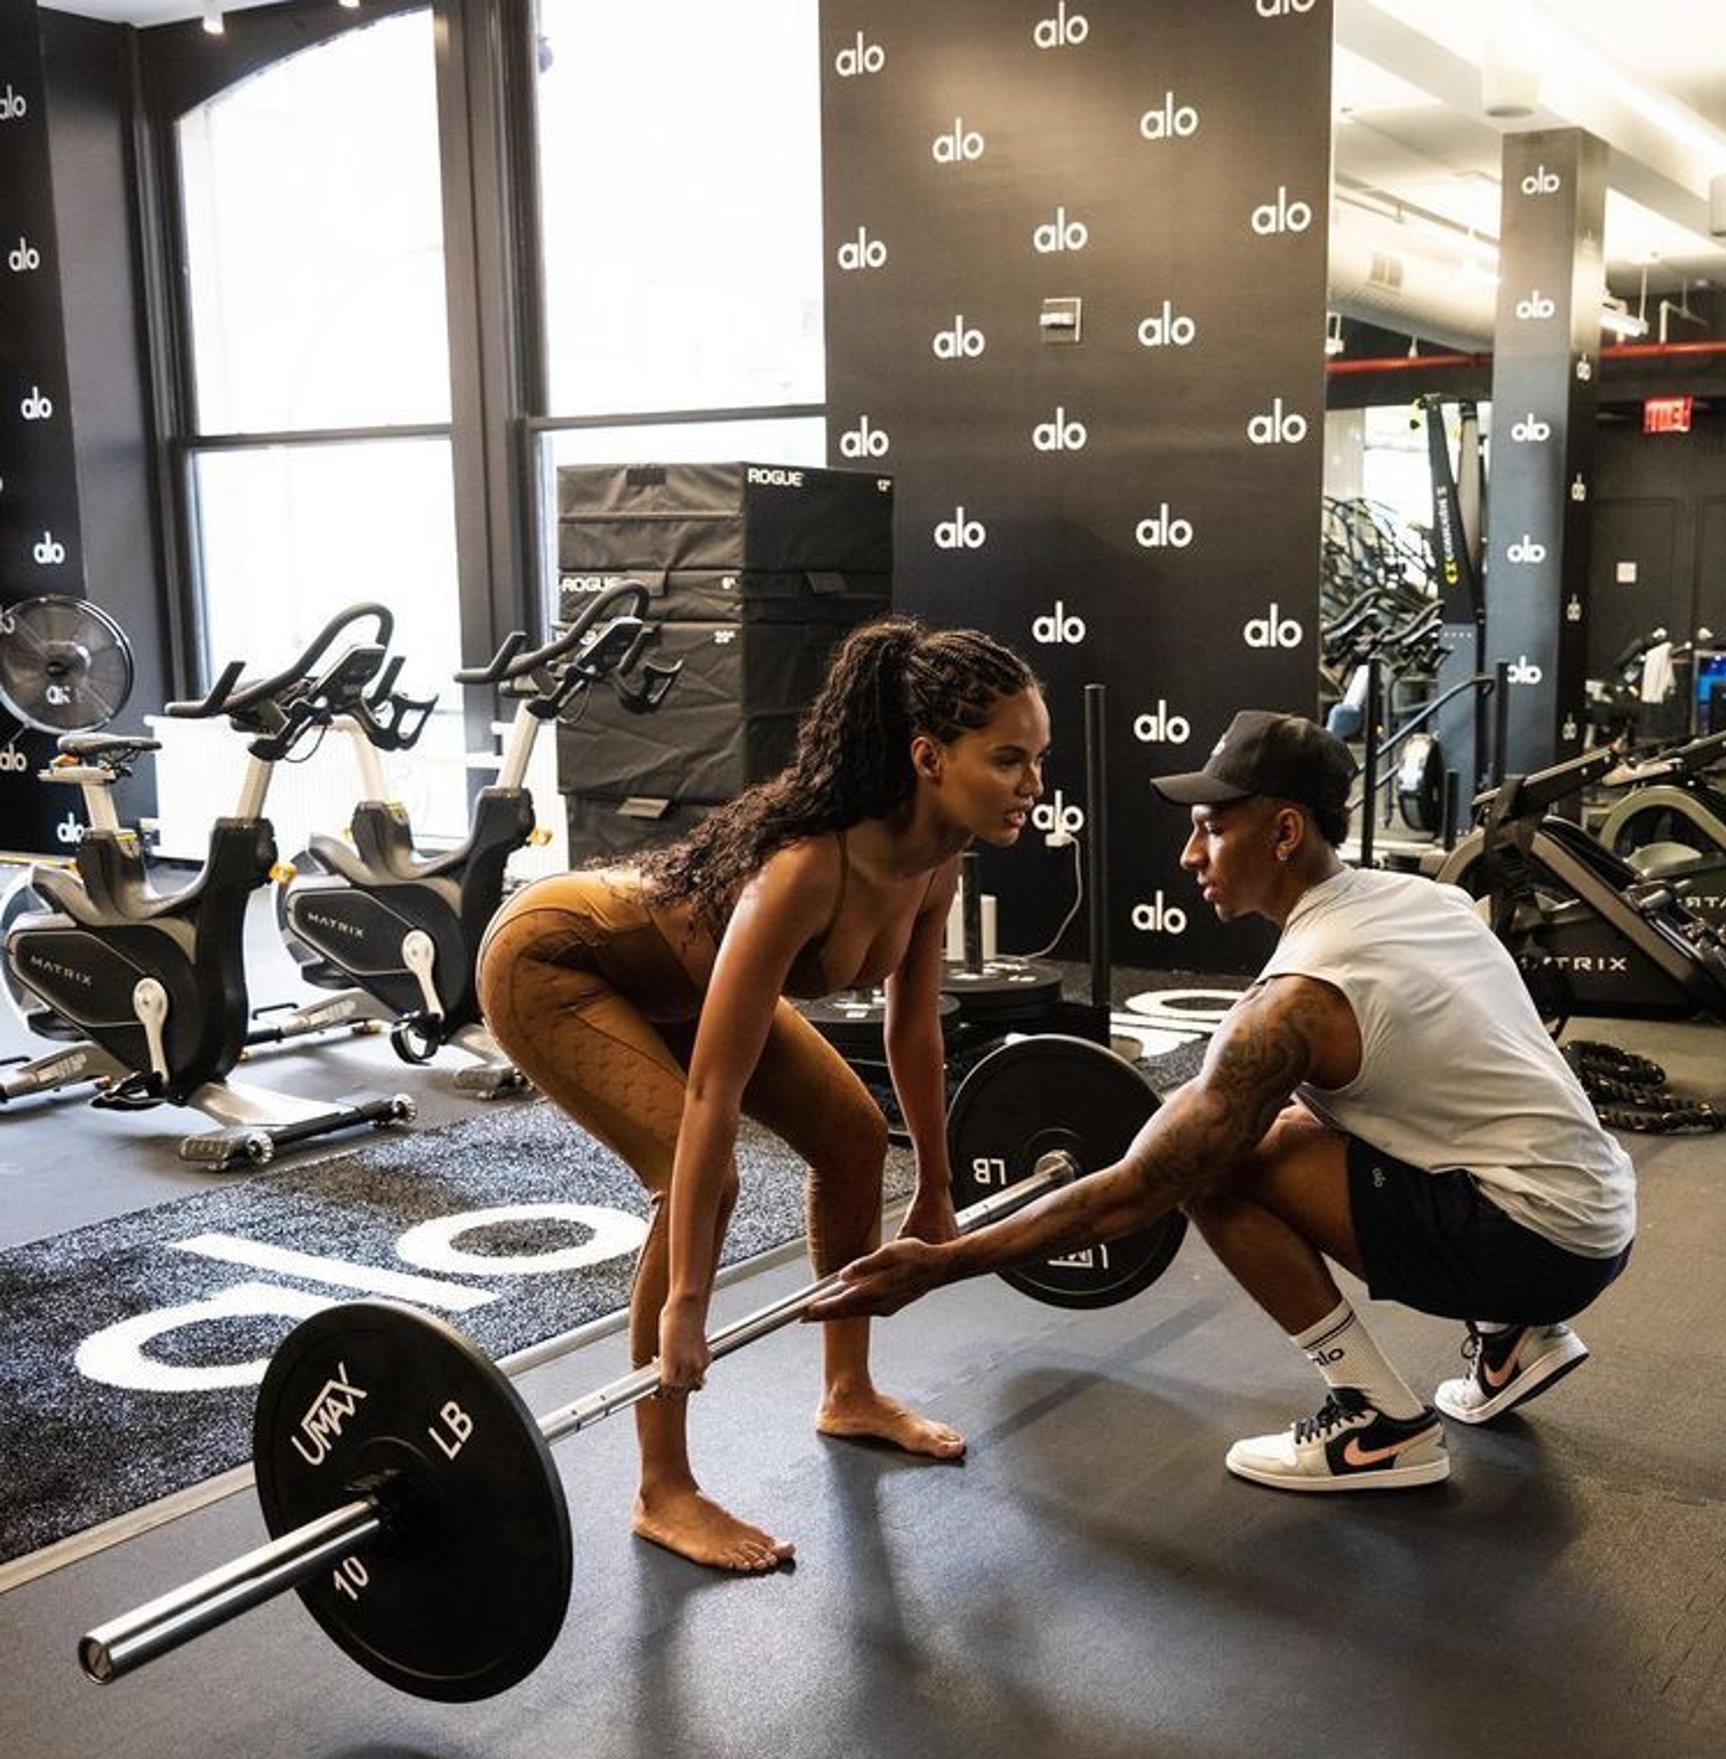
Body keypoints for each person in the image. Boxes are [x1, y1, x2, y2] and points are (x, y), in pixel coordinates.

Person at [812, 710, 1637, 1494]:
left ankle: (1379, 1425)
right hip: (1598, 1214)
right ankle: (1514, 1340)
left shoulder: (1297, 1003)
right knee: (1293, 1120)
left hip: (1534, 1242)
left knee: (1220, 1168)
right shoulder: (1424, 900)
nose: (1188, 855)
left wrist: (948, 1263)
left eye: (1210, 826)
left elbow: (1145, 1188)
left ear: (1284, 832)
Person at [478, 617, 1049, 1568]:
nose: (1033, 785)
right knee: (697, 1173)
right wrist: (687, 1309)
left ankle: (848, 1392)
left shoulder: (937, 862)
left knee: (856, 1140)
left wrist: (939, 1189)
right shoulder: (804, 870)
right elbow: (712, 1097)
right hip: (558, 961)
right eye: (1008, 759)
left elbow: (914, 1032)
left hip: (681, 981)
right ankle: (663, 1488)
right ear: (927, 757)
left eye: (1037, 759)